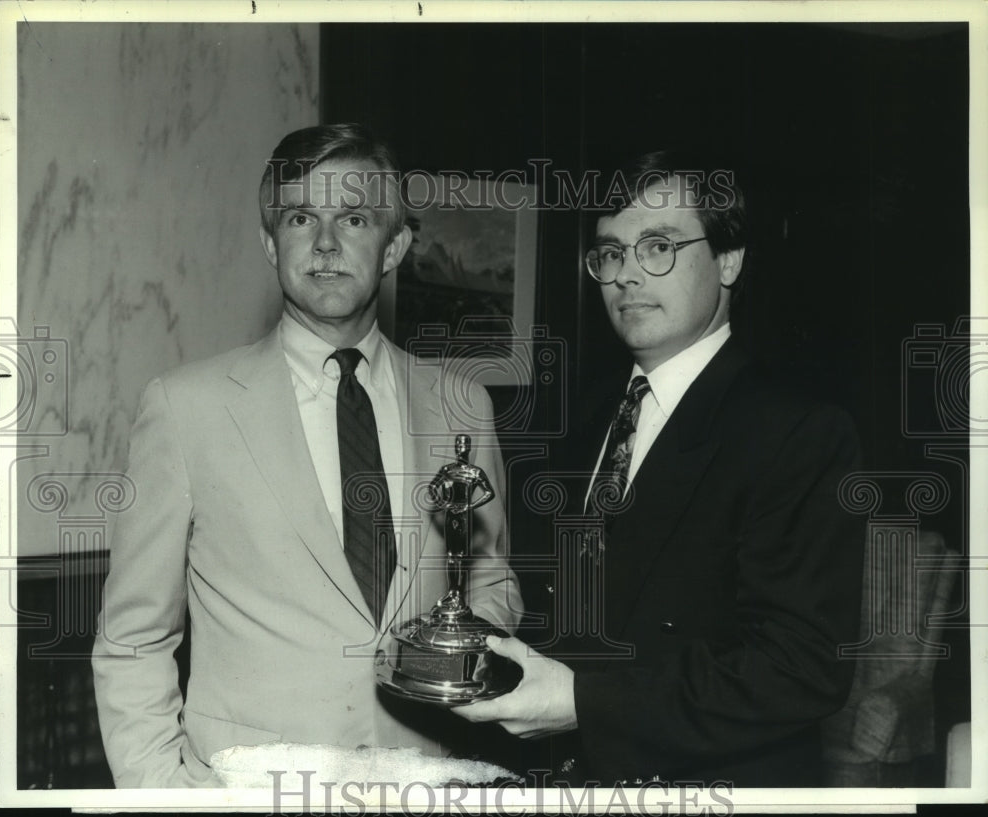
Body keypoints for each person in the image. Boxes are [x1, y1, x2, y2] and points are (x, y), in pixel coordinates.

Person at [92, 124, 522, 788]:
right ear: (271, 243)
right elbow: (133, 638)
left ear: (395, 245)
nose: (325, 243)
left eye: (353, 218)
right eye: (300, 217)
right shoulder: (185, 408)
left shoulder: (462, 406)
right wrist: (164, 798)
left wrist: (455, 649)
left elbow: (491, 581)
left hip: (429, 783)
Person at [455, 150, 865, 787]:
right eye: (611, 254)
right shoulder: (583, 422)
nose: (626, 276)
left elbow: (800, 668)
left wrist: (580, 704)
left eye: (659, 247)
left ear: (729, 260)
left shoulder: (797, 431)